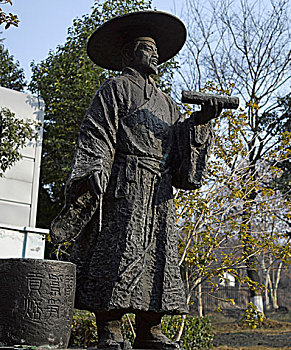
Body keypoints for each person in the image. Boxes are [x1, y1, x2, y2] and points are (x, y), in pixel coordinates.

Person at [51, 11, 221, 350]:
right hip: (123, 185)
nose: (154, 54)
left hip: (158, 190)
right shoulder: (114, 90)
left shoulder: (168, 104)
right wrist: (94, 168)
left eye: (157, 50)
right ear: (130, 54)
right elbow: (97, 133)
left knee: (159, 256)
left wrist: (201, 122)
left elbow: (180, 148)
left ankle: (150, 328)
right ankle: (110, 329)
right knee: (117, 252)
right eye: (147, 48)